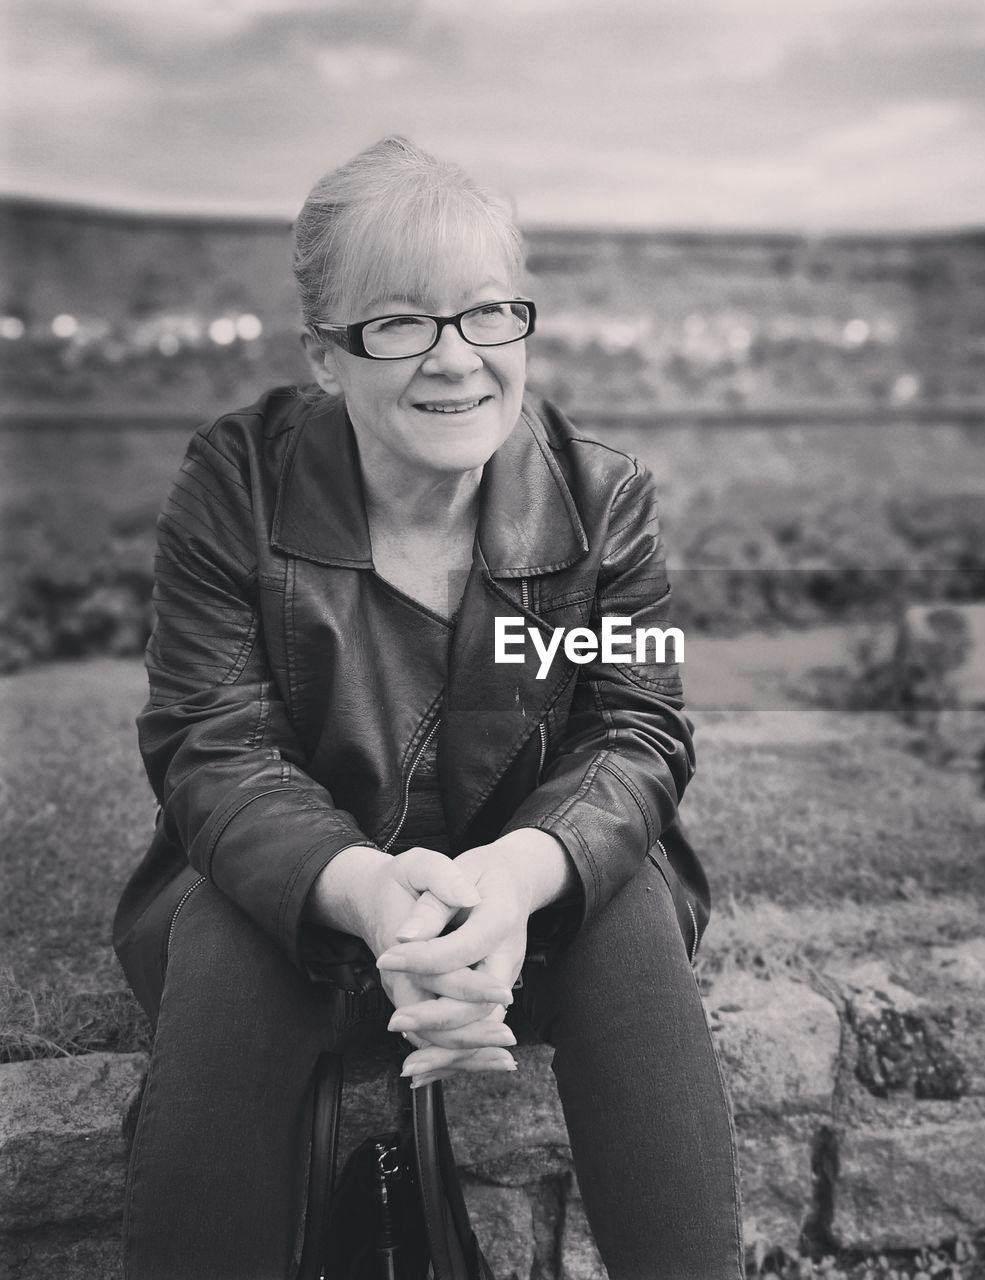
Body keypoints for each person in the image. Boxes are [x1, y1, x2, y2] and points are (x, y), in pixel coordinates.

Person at [112, 136, 744, 1279]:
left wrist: (507, 879)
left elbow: (641, 726)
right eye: (400, 322)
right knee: (226, 927)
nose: (457, 360)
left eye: (489, 313)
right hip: (306, 905)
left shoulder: (608, 497)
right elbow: (212, 746)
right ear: (323, 352)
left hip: (534, 919)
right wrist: (365, 893)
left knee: (628, 906)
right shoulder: (233, 481)